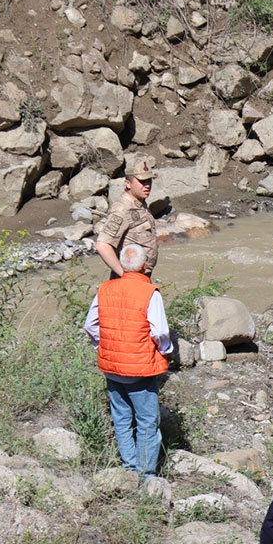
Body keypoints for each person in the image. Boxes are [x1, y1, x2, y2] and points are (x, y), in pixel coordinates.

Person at [83, 244, 171, 477]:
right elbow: (160, 332)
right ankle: (146, 475)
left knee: (121, 419)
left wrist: (103, 345)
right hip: (140, 370)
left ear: (121, 265)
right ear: (145, 266)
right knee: (147, 424)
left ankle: (129, 469)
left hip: (112, 367)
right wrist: (165, 350)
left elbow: (90, 325)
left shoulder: (105, 289)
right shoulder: (149, 292)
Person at [97, 159, 159, 278]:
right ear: (128, 184)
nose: (147, 185)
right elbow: (102, 245)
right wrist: (125, 276)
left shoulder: (141, 204)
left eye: (149, 180)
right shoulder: (122, 209)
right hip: (128, 280)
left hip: (142, 277)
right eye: (142, 181)